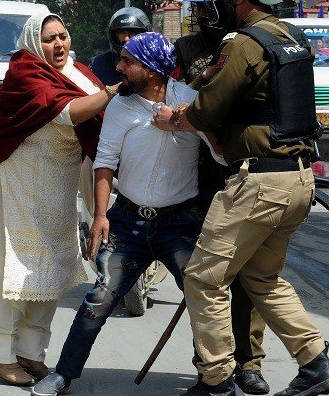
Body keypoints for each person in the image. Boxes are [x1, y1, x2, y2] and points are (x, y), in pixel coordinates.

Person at [160, 0, 329, 396]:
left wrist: (175, 115)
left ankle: (217, 379)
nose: (214, 4)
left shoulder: (243, 42)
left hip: (258, 183)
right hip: (298, 179)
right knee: (261, 279)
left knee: (202, 278)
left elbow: (207, 108)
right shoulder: (290, 36)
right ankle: (316, 364)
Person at [32, 32, 225, 396]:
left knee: (203, 302)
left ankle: (212, 379)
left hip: (180, 224)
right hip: (128, 221)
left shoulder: (191, 103)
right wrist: (101, 215)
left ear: (151, 71)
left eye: (127, 62)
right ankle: (64, 374)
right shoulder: (120, 107)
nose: (119, 67)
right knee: (98, 299)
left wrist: (187, 123)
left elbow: (220, 154)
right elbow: (104, 161)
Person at [0, 11, 119, 387]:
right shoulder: (25, 71)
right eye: (50, 38)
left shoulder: (79, 71)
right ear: (36, 42)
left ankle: (31, 353)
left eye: (63, 36)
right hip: (20, 181)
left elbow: (103, 117)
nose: (59, 45)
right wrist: (114, 93)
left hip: (57, 185)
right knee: (15, 269)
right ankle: (0, 355)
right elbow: (69, 113)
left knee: (50, 268)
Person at [175, 0, 270, 395]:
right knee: (207, 278)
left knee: (249, 274)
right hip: (200, 177)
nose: (202, 13)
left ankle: (249, 362)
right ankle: (209, 364)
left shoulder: (254, 42)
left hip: (248, 172)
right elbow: (174, 101)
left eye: (208, 3)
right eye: (197, 6)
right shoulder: (186, 48)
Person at [89, 7, 151, 86]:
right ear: (114, 35)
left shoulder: (156, 62)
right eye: (121, 33)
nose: (126, 38)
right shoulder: (97, 64)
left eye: (133, 32)